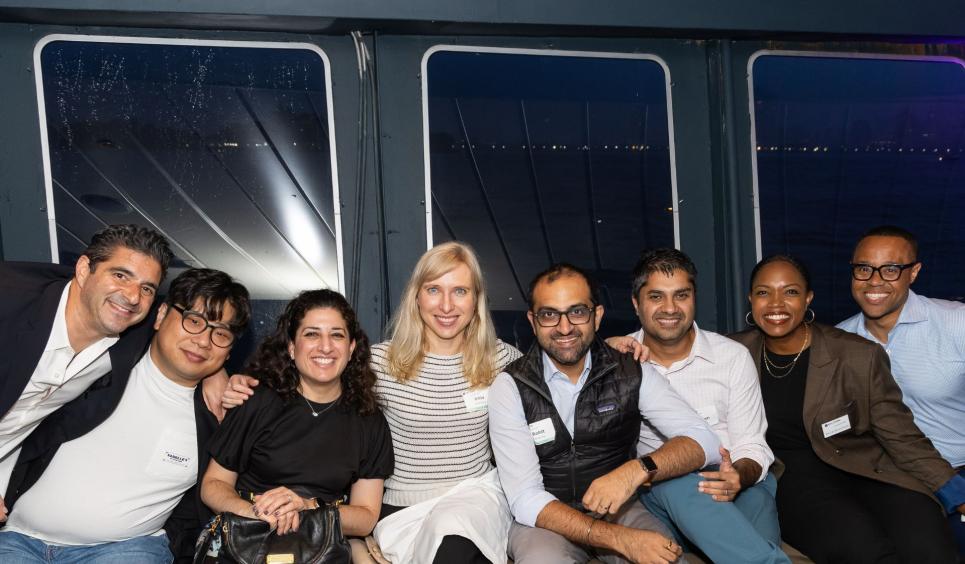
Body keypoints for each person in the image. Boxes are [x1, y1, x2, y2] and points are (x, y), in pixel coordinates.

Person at [222, 241, 523, 563]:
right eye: (434, 289)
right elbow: (313, 375)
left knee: (453, 543)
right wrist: (227, 377)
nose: (446, 305)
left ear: (476, 299)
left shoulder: (502, 360)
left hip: (473, 498)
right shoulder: (379, 362)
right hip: (400, 508)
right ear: (416, 297)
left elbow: (554, 391)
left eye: (460, 291)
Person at [0, 268, 251, 563]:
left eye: (220, 333)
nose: (203, 341)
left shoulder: (220, 416)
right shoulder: (98, 362)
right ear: (160, 316)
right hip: (17, 539)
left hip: (125, 549)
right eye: (193, 321)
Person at [731, 254, 964, 563]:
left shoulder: (856, 354)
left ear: (808, 298)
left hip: (869, 469)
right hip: (793, 479)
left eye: (790, 292)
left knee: (930, 550)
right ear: (750, 299)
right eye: (764, 292)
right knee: (866, 551)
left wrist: (957, 494)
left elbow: (901, 436)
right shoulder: (732, 354)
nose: (776, 304)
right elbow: (679, 360)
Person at [488, 263, 721, 564]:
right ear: (533, 321)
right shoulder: (510, 386)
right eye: (549, 314)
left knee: (665, 559)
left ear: (596, 316)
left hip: (621, 509)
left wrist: (637, 470)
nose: (564, 327)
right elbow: (525, 498)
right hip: (545, 519)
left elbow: (705, 440)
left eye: (577, 312)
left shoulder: (630, 372)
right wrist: (619, 540)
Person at [622, 248, 787, 564]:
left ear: (694, 298)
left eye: (681, 295)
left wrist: (738, 476)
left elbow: (752, 444)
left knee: (757, 515)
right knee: (678, 478)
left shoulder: (731, 357)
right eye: (656, 296)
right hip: (663, 488)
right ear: (636, 303)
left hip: (736, 482)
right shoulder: (618, 362)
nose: (670, 308)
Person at [0, 224, 173, 519]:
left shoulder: (131, 334)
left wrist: (215, 375)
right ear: (83, 269)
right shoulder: (10, 302)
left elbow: (188, 332)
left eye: (147, 288)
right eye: (120, 275)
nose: (132, 297)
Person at [200, 289, 393, 550]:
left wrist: (308, 507)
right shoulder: (256, 401)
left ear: (351, 348)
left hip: (319, 547)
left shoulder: (369, 419)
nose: (325, 346)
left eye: (336, 335)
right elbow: (213, 485)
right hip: (249, 541)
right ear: (292, 348)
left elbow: (366, 517)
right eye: (311, 334)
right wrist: (258, 514)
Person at [836, 225, 965, 554]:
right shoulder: (840, 343)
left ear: (914, 272)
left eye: (891, 269)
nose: (874, 281)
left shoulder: (956, 323)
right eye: (864, 269)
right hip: (896, 483)